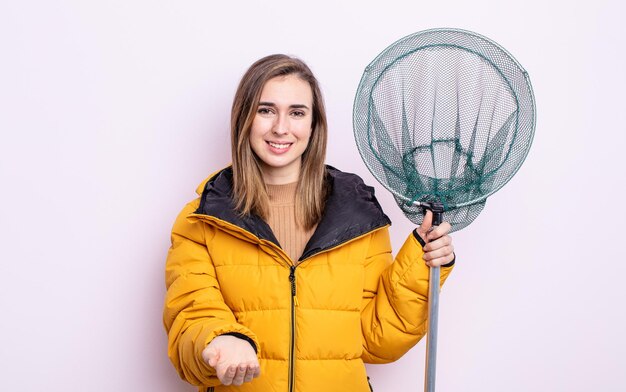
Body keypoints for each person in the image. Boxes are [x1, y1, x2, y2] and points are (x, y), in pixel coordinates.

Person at [163, 54, 455, 392]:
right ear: (244, 118)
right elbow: (190, 318)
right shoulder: (202, 220)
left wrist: (422, 263)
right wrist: (222, 340)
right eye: (265, 110)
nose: (281, 128)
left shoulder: (359, 216)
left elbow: (378, 339)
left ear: (314, 125)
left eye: (297, 113)